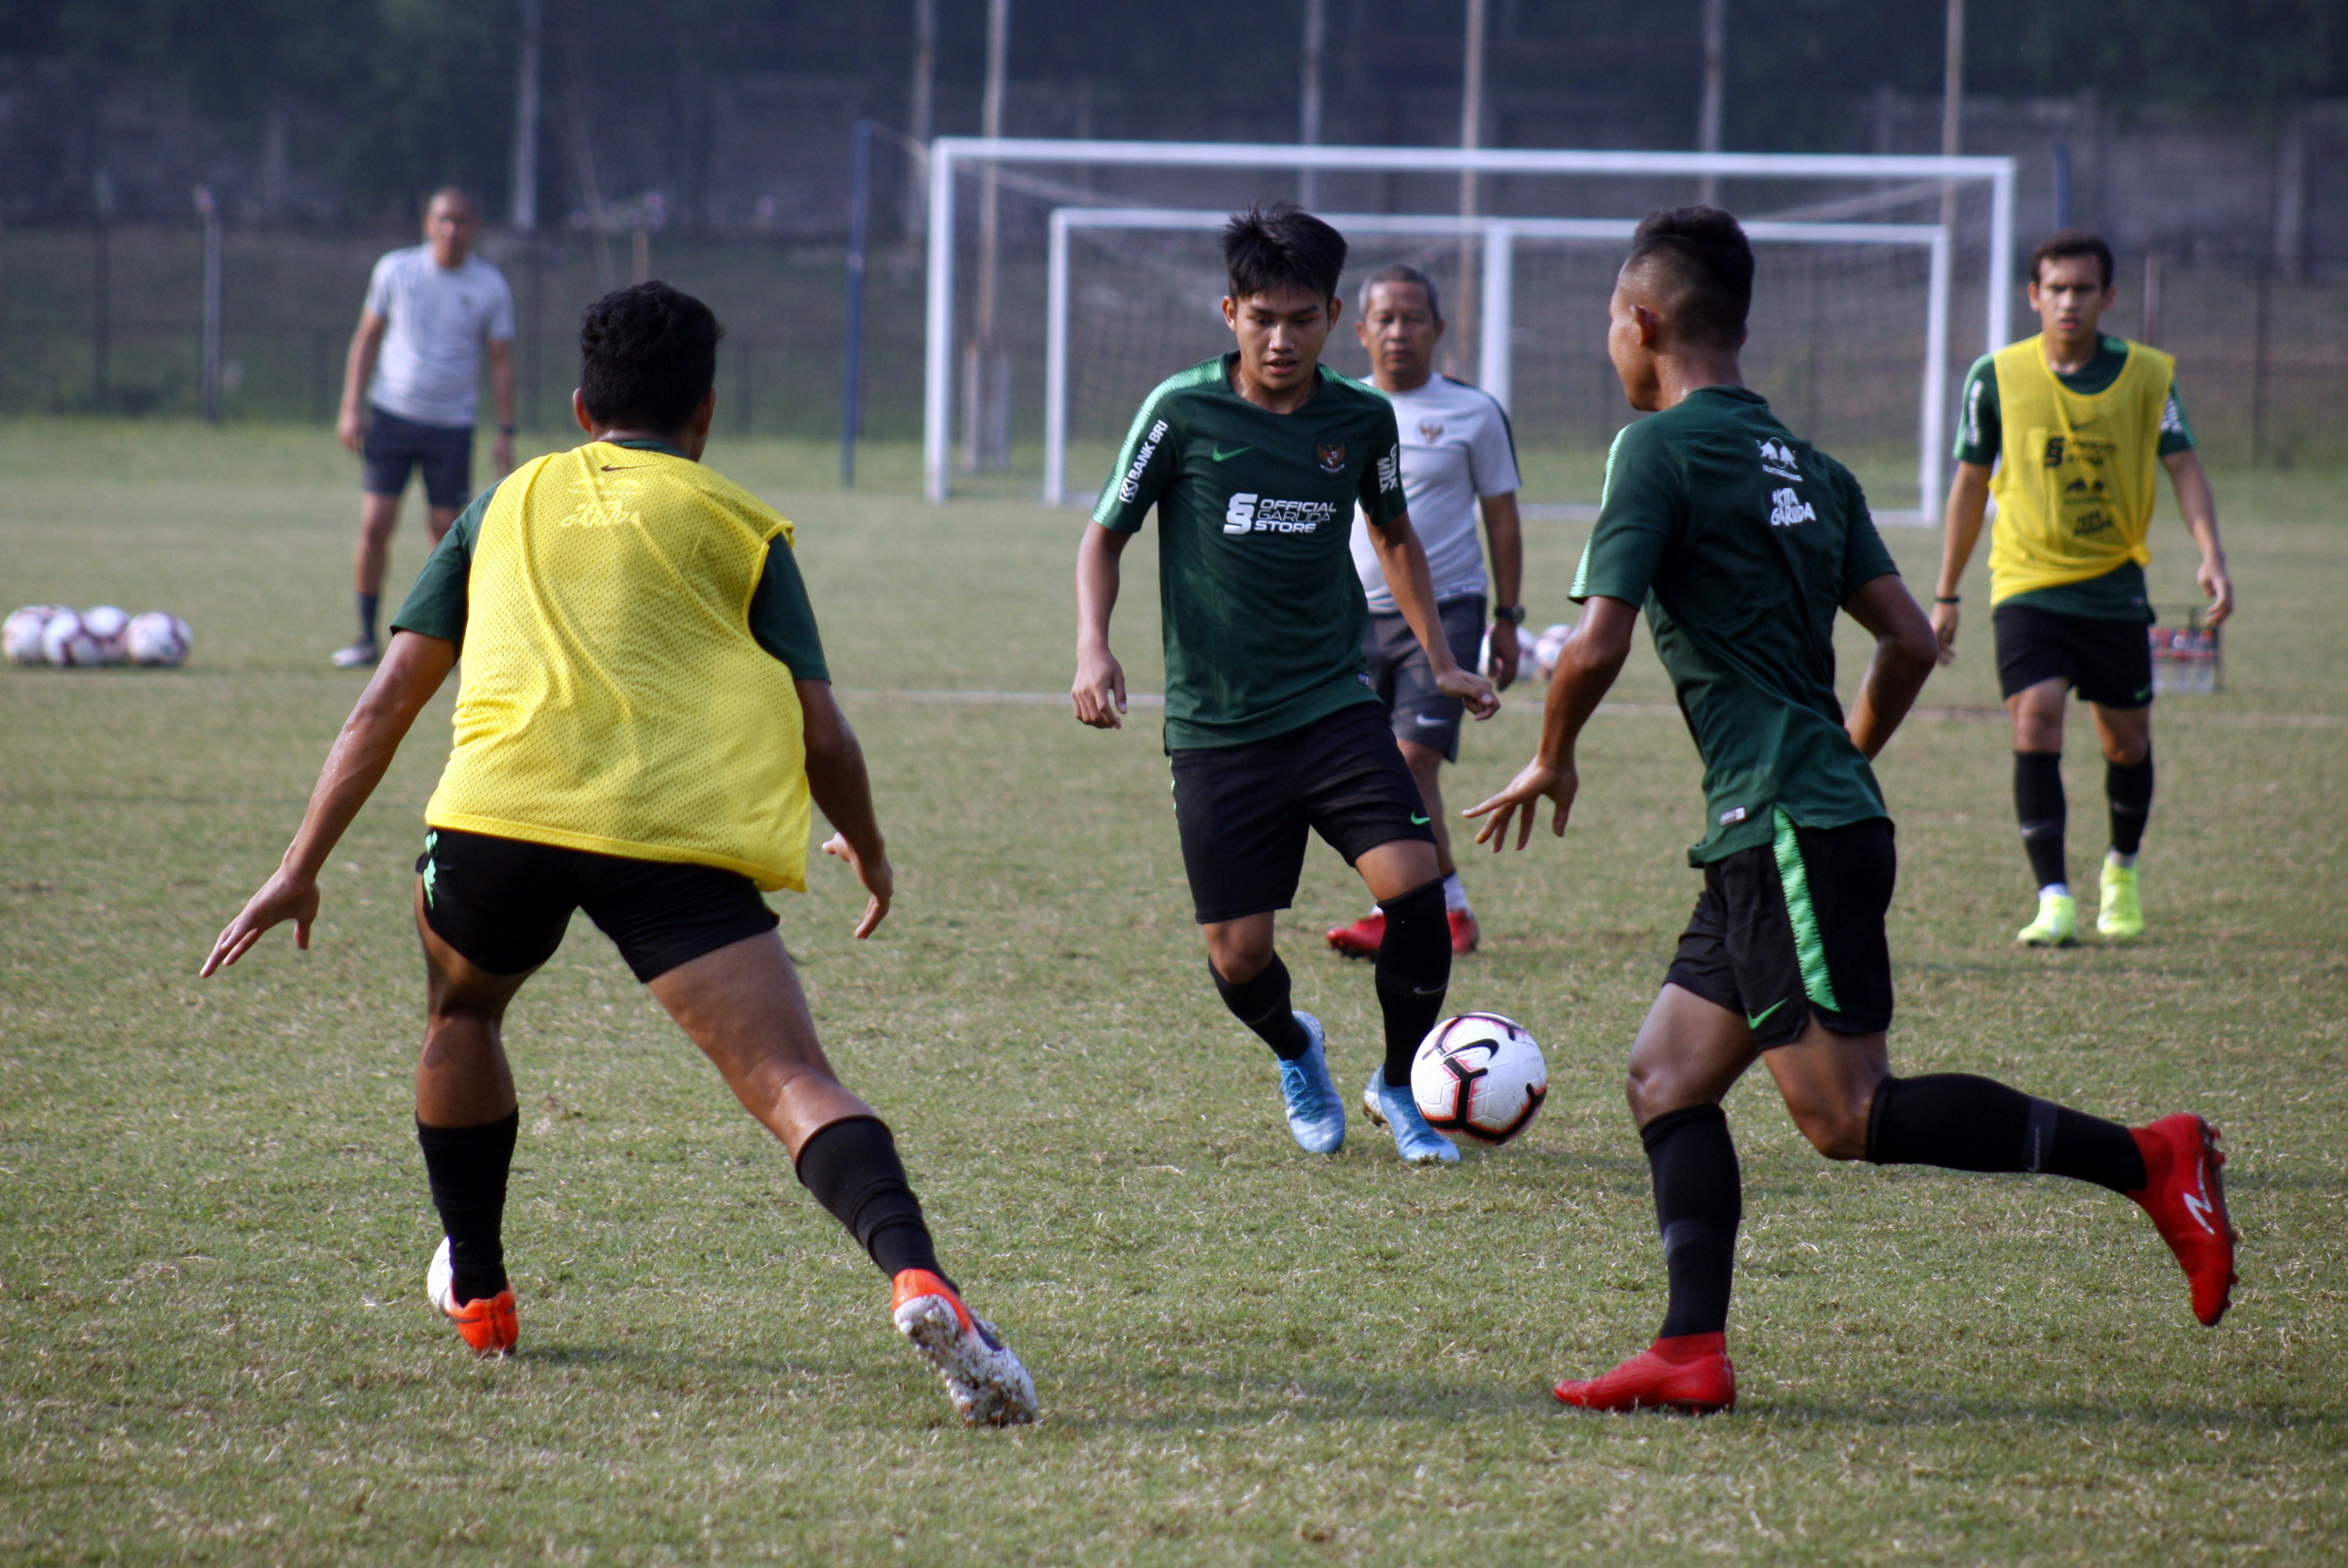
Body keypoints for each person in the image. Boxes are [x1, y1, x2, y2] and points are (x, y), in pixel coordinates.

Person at [203, 282, 1036, 1427]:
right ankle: (918, 1276)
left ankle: (482, 1291)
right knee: (792, 1081)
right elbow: (824, 731)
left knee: (462, 1017)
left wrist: (300, 862)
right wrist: (873, 851)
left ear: (581, 405)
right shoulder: (740, 522)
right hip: (669, 837)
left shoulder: (504, 500)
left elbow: (388, 699)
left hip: (496, 822)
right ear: (704, 413)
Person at [1468, 209, 2236, 1415]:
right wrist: (1841, 758)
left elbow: (1593, 644)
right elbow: (1909, 641)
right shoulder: (1811, 468)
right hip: (1782, 820)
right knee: (1665, 1077)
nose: (1608, 345)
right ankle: (1687, 1349)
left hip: (1781, 824)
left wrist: (1551, 754)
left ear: (1645, 323)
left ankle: (2150, 1160)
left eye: (1609, 322)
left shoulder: (1653, 452)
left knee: (1843, 1113)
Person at [1072, 205, 1499, 1165]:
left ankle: (1396, 1081)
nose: (1281, 339)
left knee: (1417, 896)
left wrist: (1437, 658)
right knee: (1239, 956)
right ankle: (1295, 1044)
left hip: (1333, 707)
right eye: (1262, 317)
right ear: (1230, 311)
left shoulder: (1359, 417)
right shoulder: (1181, 412)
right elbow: (1105, 534)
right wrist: (1093, 646)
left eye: (1302, 319)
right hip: (1218, 727)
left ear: (1333, 315)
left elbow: (1393, 535)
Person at [1932, 229, 2232, 947]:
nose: (2069, 301)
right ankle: (2053, 896)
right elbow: (1969, 485)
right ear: (2033, 296)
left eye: (2083, 289)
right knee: (2034, 718)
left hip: (2112, 586)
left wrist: (2211, 554)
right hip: (2026, 582)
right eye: (2055, 289)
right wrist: (1946, 593)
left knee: (2125, 743)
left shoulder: (2148, 376)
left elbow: (2184, 466)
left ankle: (2119, 872)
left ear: (2108, 297)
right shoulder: (1994, 377)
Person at [1325, 262, 1524, 961]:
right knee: (1363, 773)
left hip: (1446, 613)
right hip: (1347, 619)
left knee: (1410, 764)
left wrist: (1508, 614)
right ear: (1359, 330)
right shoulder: (1335, 407)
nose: (1399, 331)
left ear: (1438, 330)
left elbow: (1502, 520)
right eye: (1385, 318)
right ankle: (1447, 910)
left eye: (1413, 318)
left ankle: (1407, 912)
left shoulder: (1474, 412)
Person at [332, 187, 518, 669]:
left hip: (451, 425)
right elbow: (366, 338)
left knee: (445, 534)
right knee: (375, 525)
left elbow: (500, 360)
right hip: (392, 416)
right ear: (426, 222)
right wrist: (351, 406)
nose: (451, 229)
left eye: (461, 220)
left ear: (474, 227)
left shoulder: (489, 285)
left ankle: (447, 643)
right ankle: (365, 636)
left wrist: (505, 429)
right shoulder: (396, 271)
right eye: (443, 219)